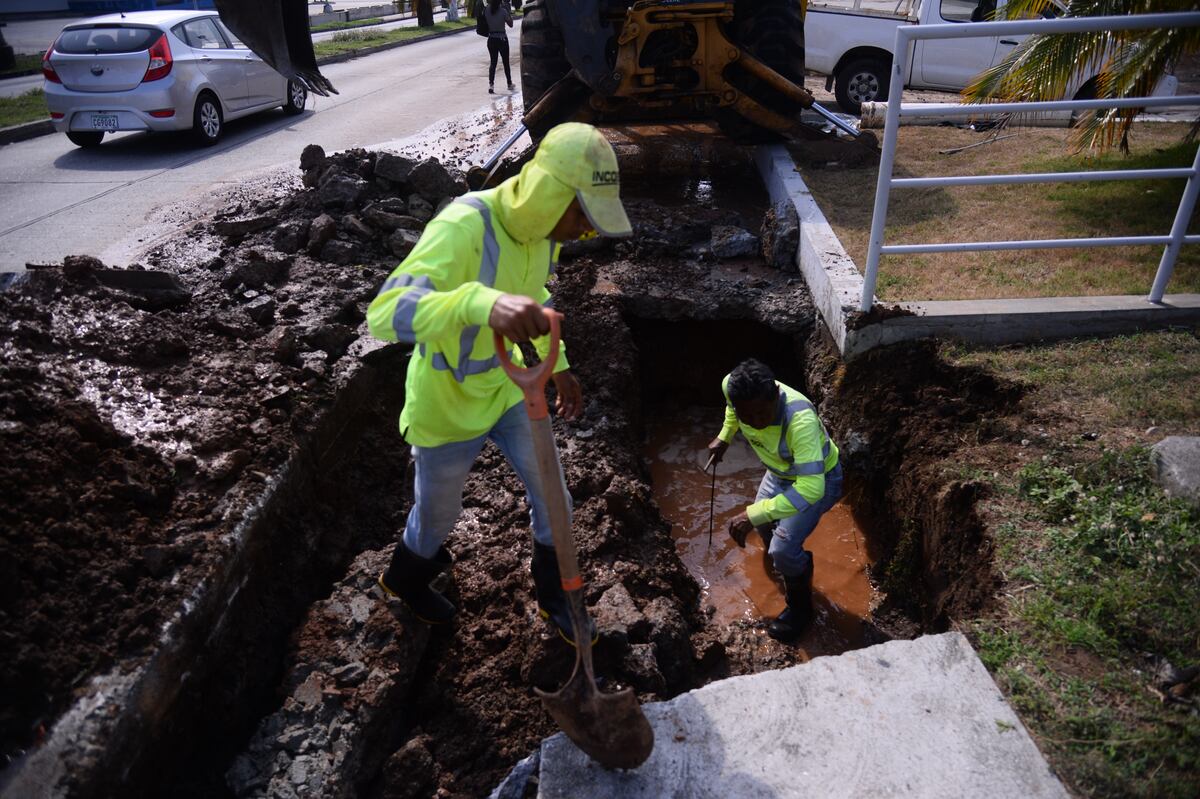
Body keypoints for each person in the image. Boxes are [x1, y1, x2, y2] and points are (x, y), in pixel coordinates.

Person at [366, 123, 632, 645]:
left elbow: (537, 296)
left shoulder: (542, 236)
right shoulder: (463, 227)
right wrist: (479, 303)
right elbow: (385, 313)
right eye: (582, 214)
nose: (585, 231)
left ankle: (556, 602)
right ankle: (403, 581)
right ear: (546, 194)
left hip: (509, 390)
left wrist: (559, 364)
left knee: (555, 496)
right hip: (446, 403)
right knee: (437, 517)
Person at [706, 359, 842, 642]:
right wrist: (725, 436)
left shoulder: (799, 420)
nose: (755, 422)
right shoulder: (730, 386)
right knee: (768, 530)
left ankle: (801, 609)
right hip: (779, 472)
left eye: (761, 413)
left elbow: (810, 489)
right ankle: (788, 567)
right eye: (748, 416)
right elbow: (733, 410)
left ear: (776, 396)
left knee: (781, 547)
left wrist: (752, 514)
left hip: (819, 479)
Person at [482, 0, 514, 94]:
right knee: (506, 63)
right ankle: (509, 83)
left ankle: (491, 85)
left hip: (491, 39)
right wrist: (508, 11)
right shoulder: (503, 11)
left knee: (493, 63)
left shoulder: (486, 10)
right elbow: (511, 24)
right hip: (502, 39)